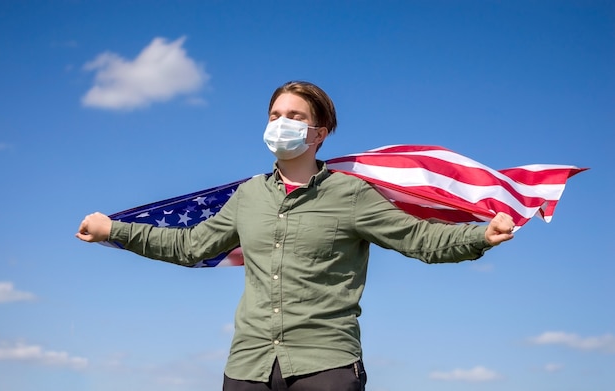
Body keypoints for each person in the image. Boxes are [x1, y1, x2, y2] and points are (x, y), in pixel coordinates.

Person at [76, 80, 515, 391]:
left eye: (295, 116)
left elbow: (420, 239)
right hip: (247, 367)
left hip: (326, 365)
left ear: (318, 133)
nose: (281, 122)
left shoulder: (352, 195)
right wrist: (114, 230)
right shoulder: (248, 196)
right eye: (275, 115)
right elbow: (190, 245)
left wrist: (481, 237)